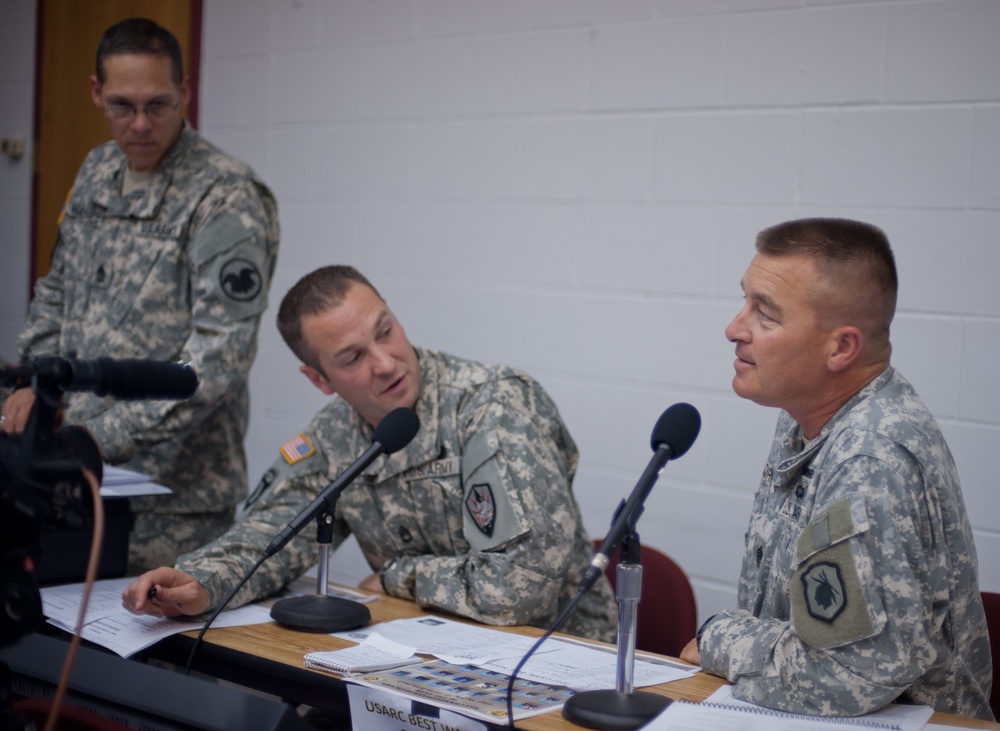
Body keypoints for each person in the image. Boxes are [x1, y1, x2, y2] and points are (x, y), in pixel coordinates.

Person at [121, 266, 617, 642]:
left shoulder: (493, 403)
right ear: (319, 380)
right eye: (352, 358)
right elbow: (274, 531)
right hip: (419, 651)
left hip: (553, 660)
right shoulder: (335, 434)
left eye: (385, 331)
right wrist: (200, 580)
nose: (385, 363)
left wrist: (400, 575)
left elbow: (521, 586)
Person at [679, 218, 993, 720]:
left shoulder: (871, 454)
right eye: (745, 302)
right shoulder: (807, 417)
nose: (734, 329)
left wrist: (723, 637)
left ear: (841, 348)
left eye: (765, 314)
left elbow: (847, 675)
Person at [0, 18, 280, 574]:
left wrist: (95, 438)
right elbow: (57, 291)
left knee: (148, 655)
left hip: (172, 501)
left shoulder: (225, 194)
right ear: (96, 93)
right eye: (122, 106)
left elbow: (216, 361)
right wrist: (31, 383)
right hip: (71, 480)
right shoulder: (97, 170)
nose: (141, 125)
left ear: (185, 94)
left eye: (159, 105)